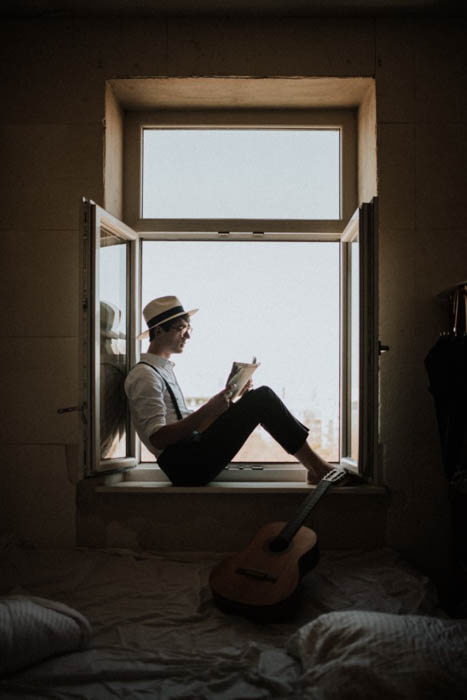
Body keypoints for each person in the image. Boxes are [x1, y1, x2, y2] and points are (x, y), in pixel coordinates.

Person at [125, 295, 337, 487]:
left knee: (257, 399)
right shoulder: (145, 376)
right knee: (263, 398)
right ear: (159, 331)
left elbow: (191, 427)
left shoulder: (163, 371)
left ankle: (315, 468)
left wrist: (230, 403)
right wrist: (209, 409)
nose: (188, 335)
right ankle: (317, 469)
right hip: (184, 466)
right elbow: (158, 439)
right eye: (181, 328)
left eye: (189, 328)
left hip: (190, 455)